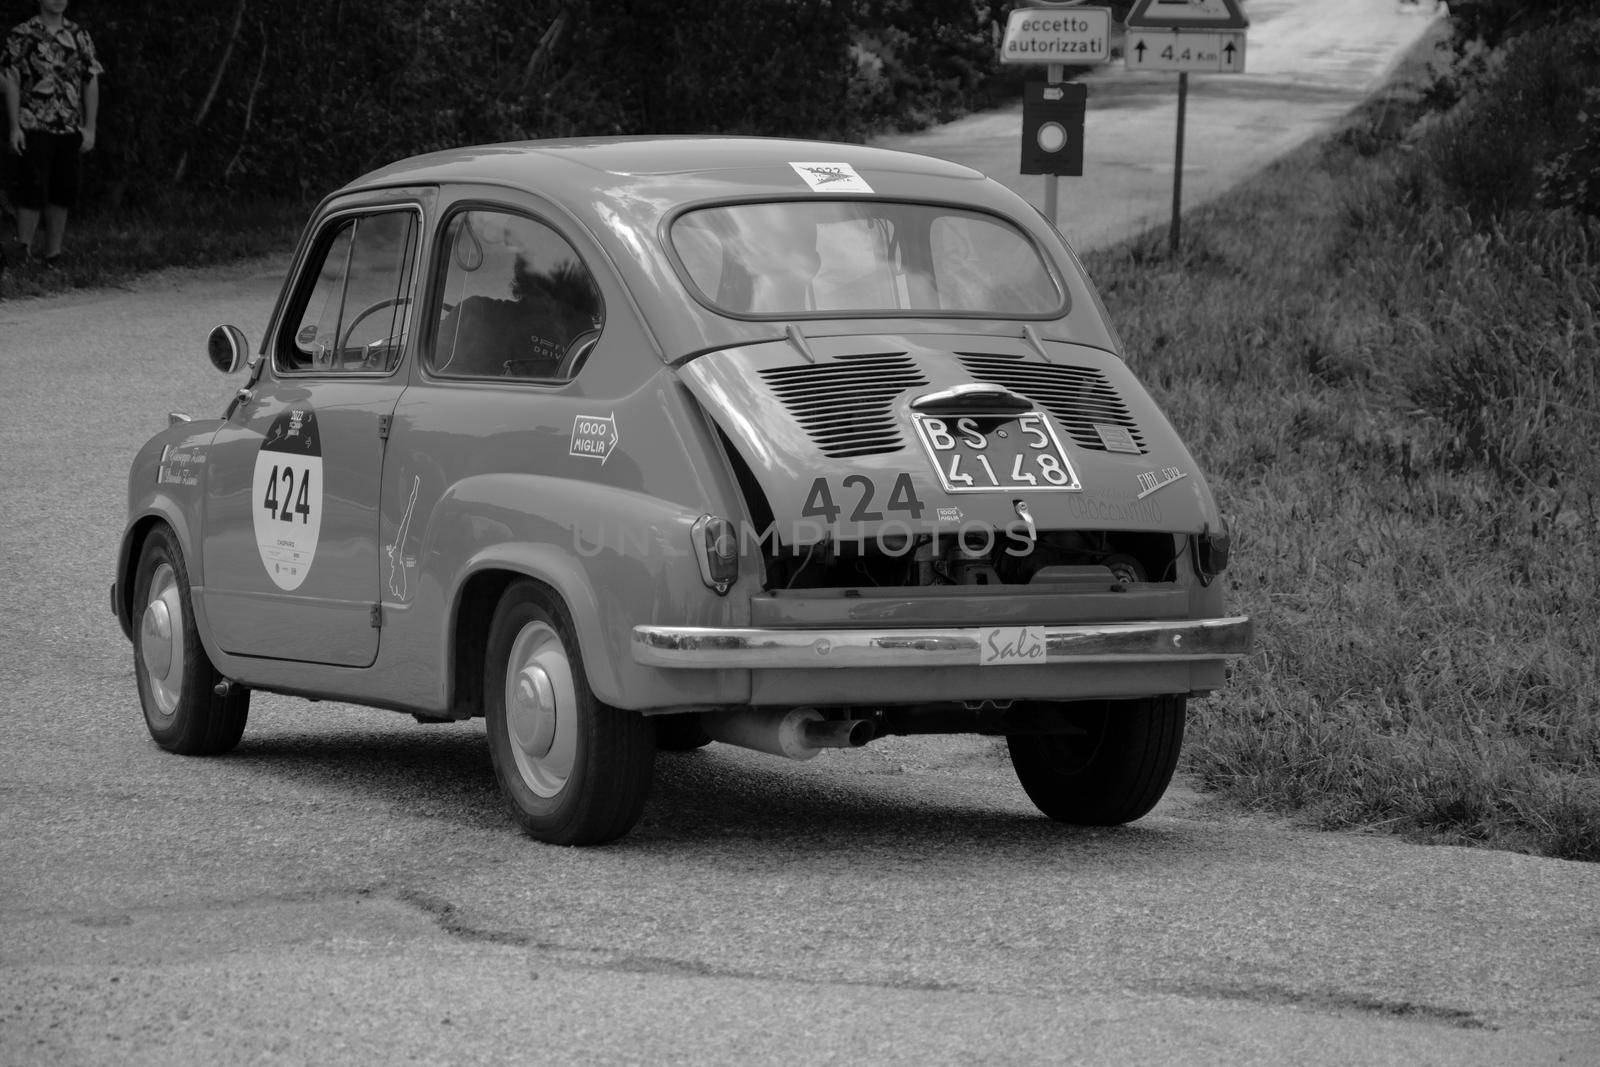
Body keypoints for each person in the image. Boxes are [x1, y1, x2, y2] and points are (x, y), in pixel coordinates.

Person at [1, 0, 102, 271]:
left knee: (63, 190)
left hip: (69, 126)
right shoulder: (23, 34)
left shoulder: (79, 36)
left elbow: (90, 80)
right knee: (31, 189)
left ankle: (53, 255)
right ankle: (23, 253)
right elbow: (9, 78)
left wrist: (90, 127)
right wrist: (14, 126)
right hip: (33, 123)